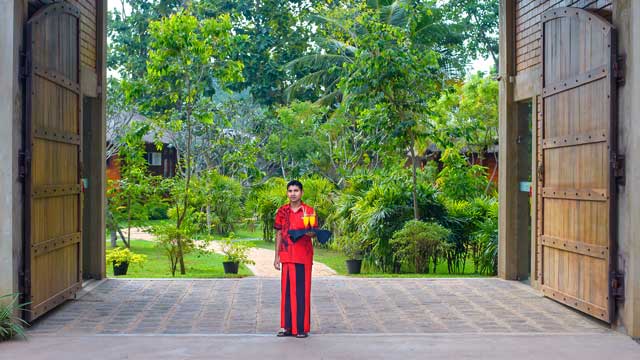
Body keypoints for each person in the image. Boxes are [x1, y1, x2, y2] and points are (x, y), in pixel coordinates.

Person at [273, 180, 316, 338]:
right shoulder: (282, 211)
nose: (293, 193)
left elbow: (313, 232)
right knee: (287, 292)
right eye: (290, 190)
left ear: (301, 193)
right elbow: (278, 233)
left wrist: (308, 232)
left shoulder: (308, 210)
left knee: (301, 292)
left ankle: (301, 328)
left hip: (303, 256)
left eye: (296, 190)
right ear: (287, 193)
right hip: (286, 255)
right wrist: (276, 256)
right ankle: (287, 327)